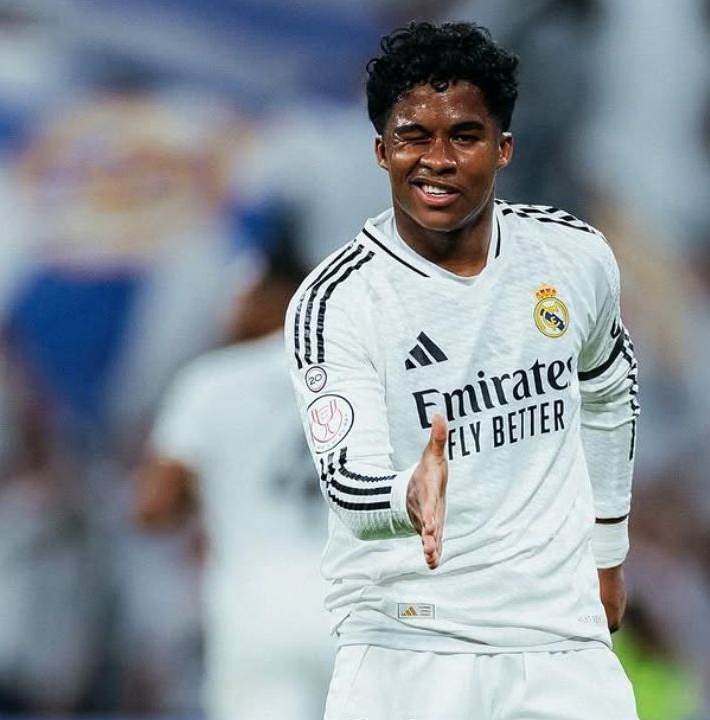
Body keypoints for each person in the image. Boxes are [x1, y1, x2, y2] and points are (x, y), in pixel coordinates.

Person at [284, 21, 641, 718]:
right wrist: (408, 494)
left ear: (504, 148)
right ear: (381, 151)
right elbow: (348, 483)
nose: (438, 160)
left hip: (560, 645)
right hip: (408, 646)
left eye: (465, 136)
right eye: (414, 137)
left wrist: (608, 552)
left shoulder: (574, 256)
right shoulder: (338, 302)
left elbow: (608, 391)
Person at [136, 234, 334, 719]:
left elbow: (153, 507)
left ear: (278, 296)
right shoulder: (362, 372)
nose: (229, 309)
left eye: (242, 293)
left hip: (256, 616)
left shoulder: (212, 383)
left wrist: (208, 495)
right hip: (359, 609)